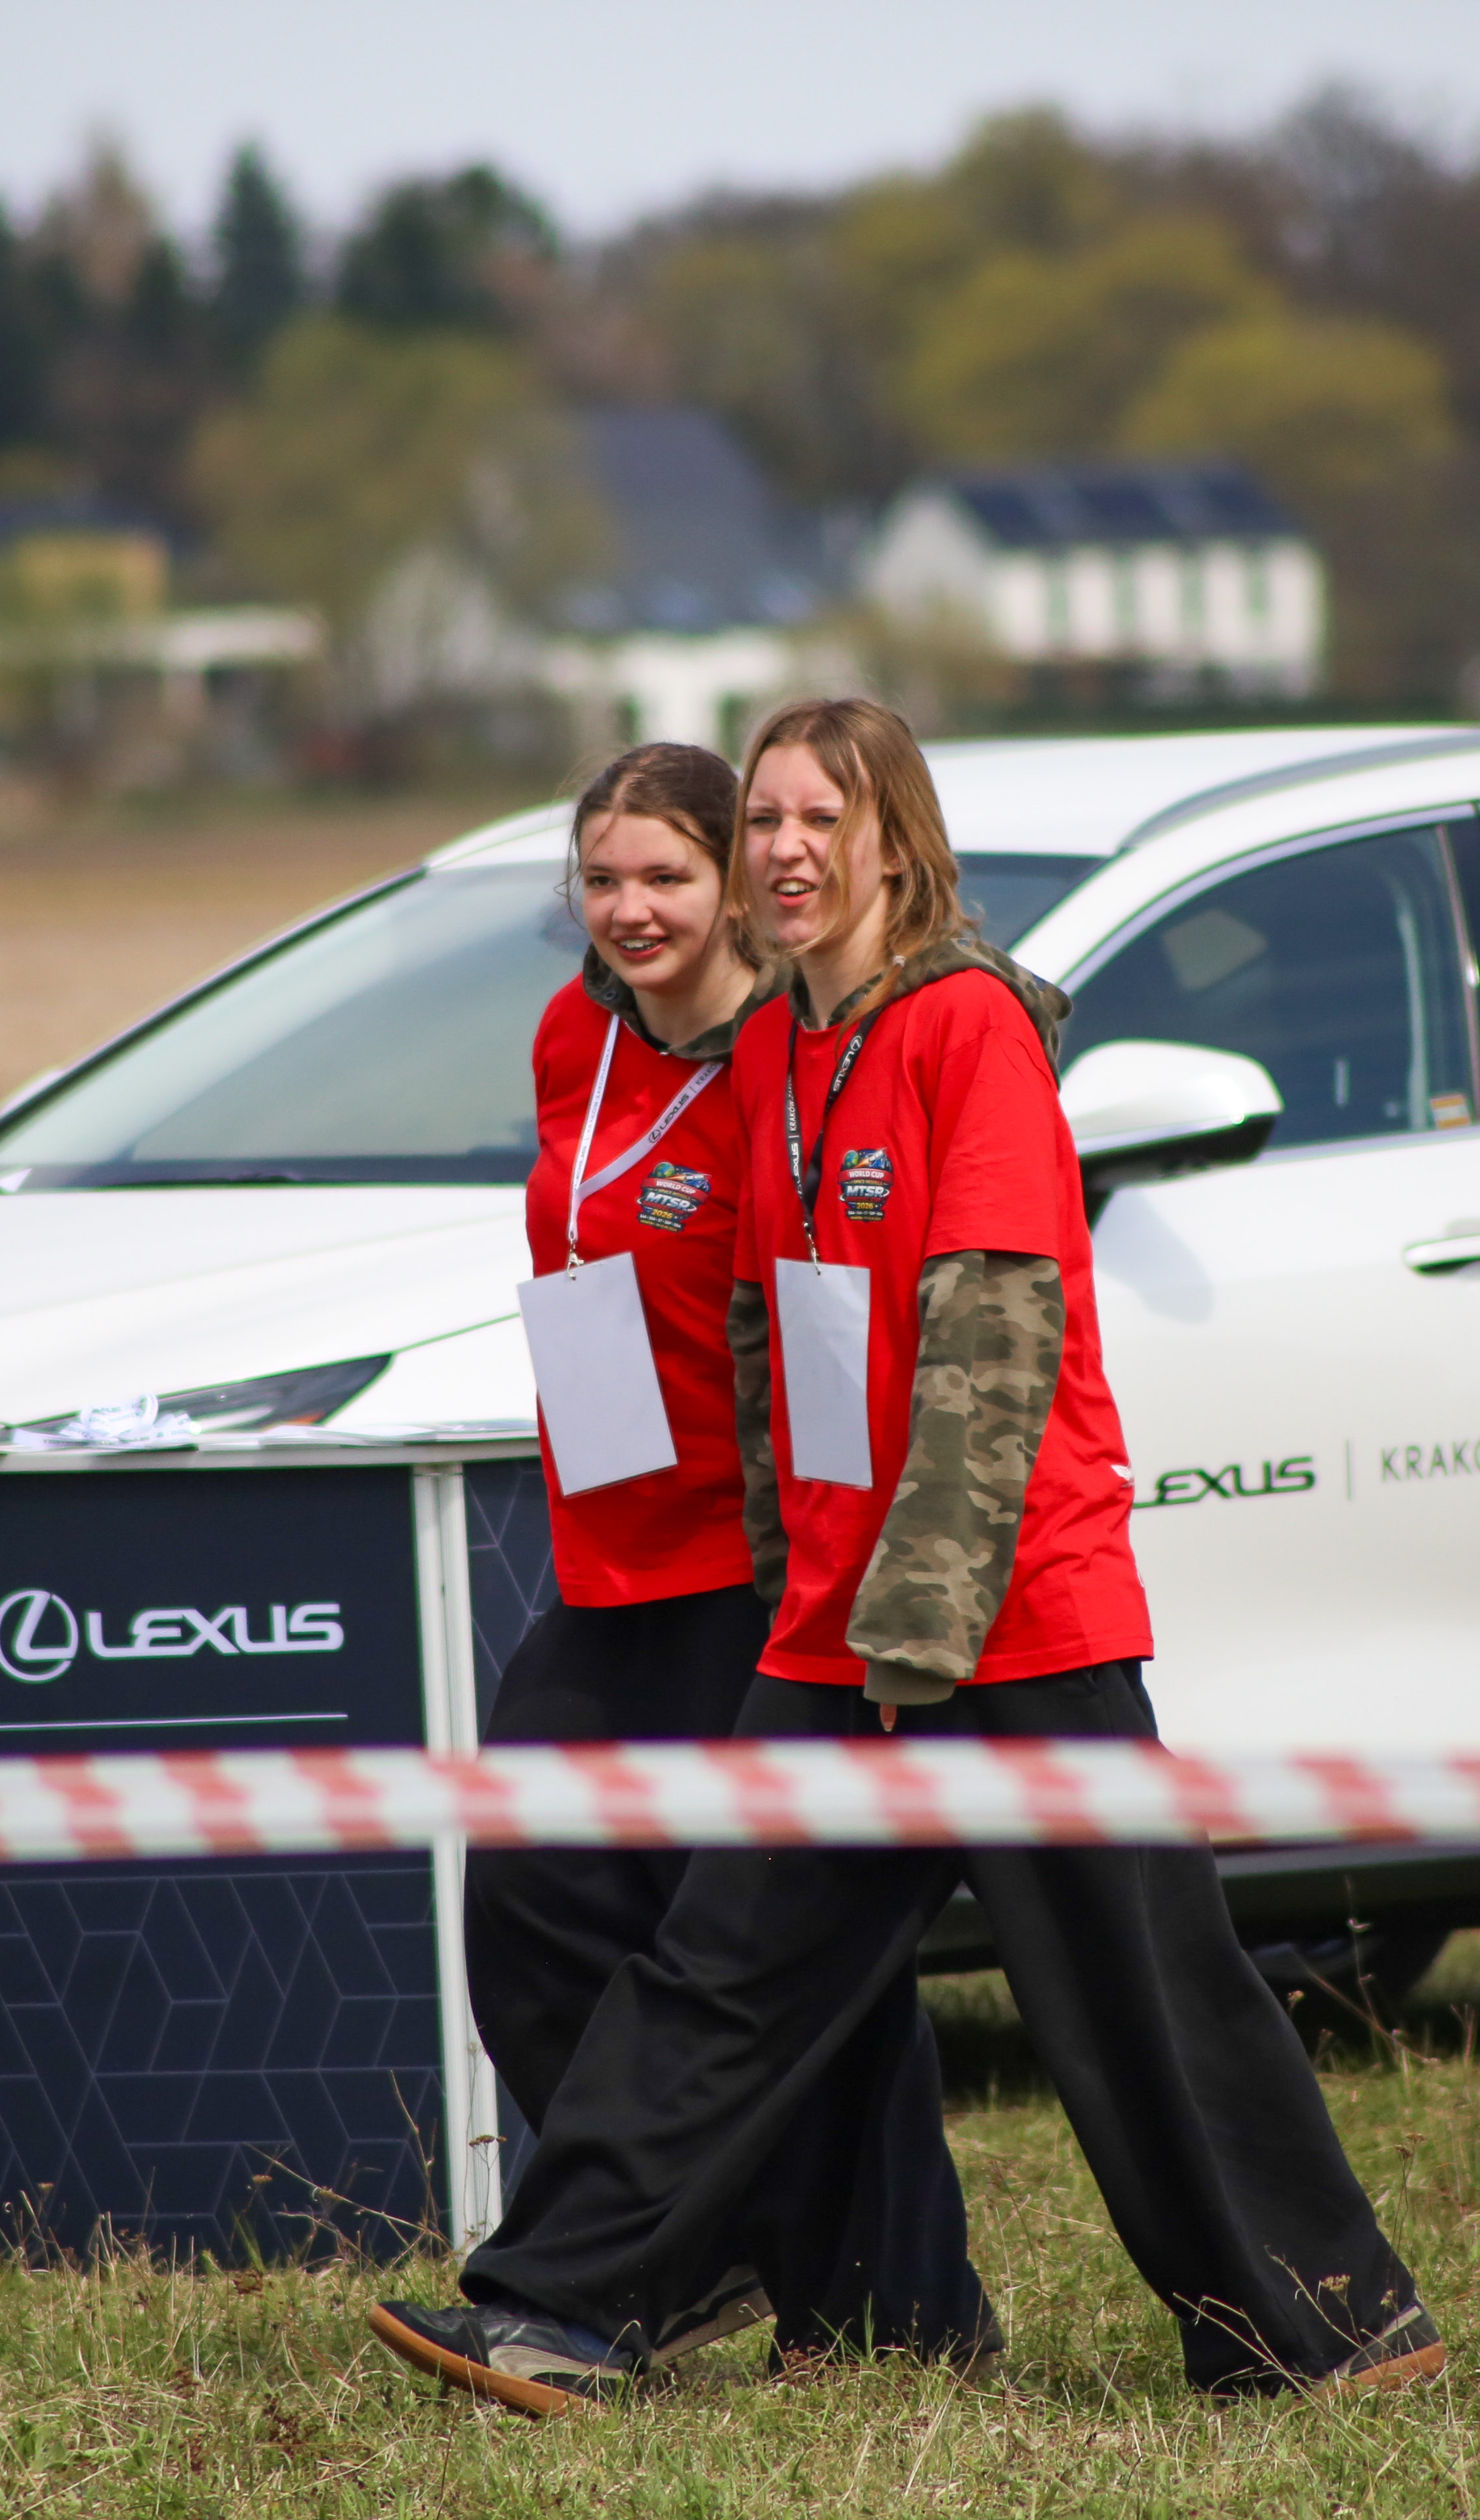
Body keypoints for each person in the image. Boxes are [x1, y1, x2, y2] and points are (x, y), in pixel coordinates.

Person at [371, 699, 1443, 2413]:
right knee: (718, 1972)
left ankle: (1329, 2327)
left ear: (893, 845)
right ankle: (562, 2308)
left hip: (1007, 1623)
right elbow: (761, 1341)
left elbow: (998, 1331)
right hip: (838, 1634)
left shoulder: (970, 1031)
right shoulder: (783, 1046)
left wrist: (924, 1624)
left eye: (823, 820)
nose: (788, 851)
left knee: (1144, 2001)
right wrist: (812, 1592)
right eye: (768, 822)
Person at [451, 742, 994, 2384]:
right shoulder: (574, 1041)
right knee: (533, 1906)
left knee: (789, 1960)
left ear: (739, 889)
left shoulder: (788, 1054)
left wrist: (856, 1558)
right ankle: (713, 2262)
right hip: (609, 1554)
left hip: (754, 1567)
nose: (631, 910)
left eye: (667, 877)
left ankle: (898, 2316)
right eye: (602, 881)